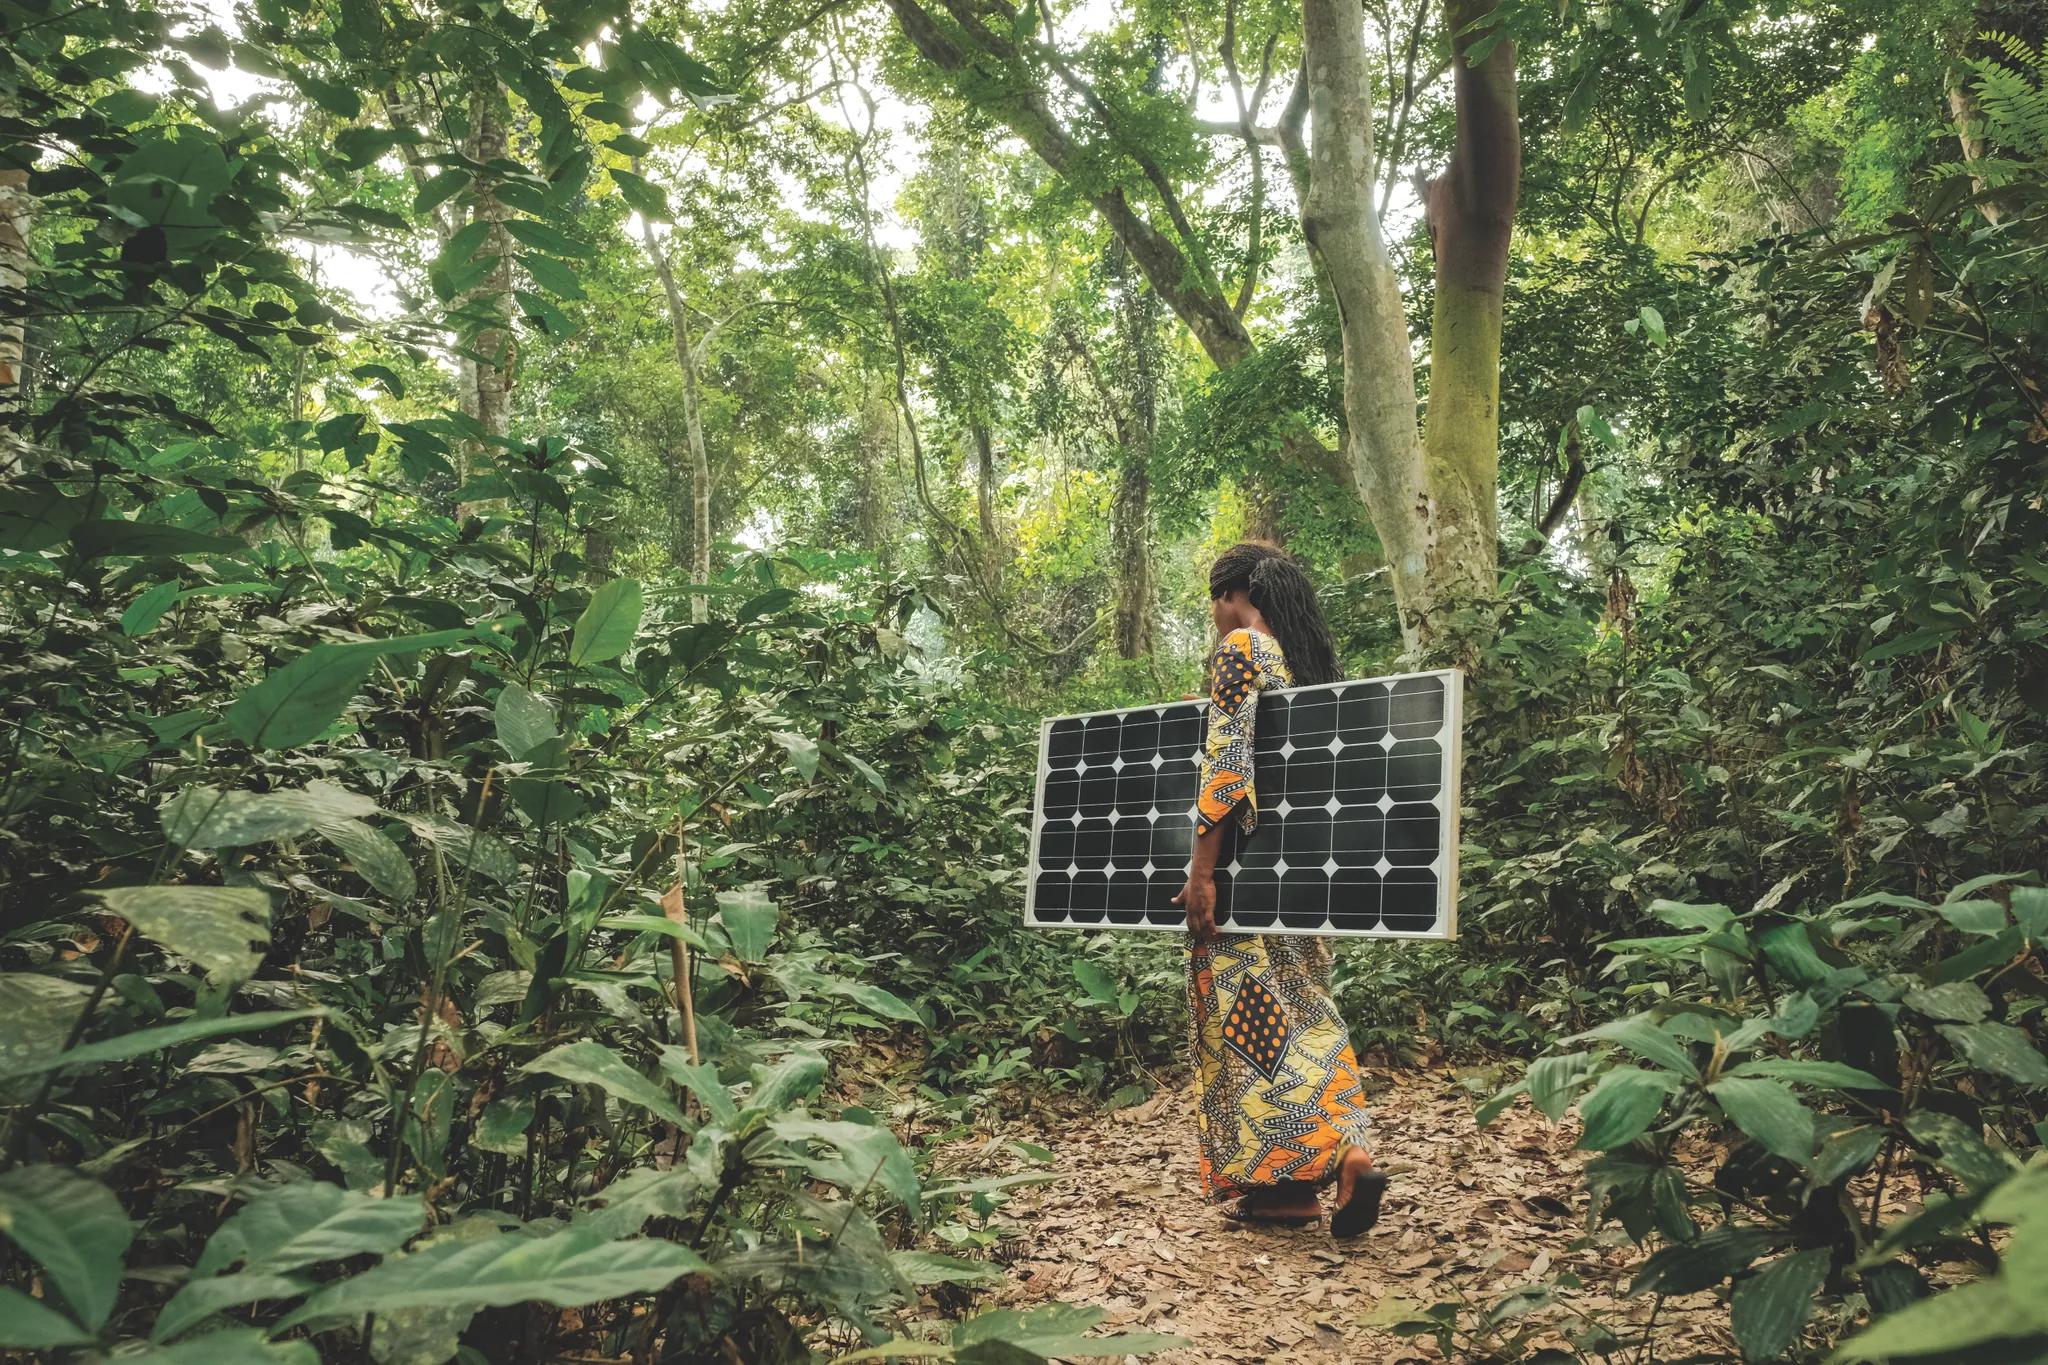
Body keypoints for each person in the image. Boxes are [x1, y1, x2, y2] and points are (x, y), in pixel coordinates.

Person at [1172, 541, 1387, 1236]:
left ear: (1231, 595)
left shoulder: (1240, 647)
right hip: (1302, 884)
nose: (1214, 618)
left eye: (1215, 603)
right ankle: (1300, 1183)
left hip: (1246, 878)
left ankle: (1320, 1164)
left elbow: (1228, 768)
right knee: (1307, 1020)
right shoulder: (1302, 664)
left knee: (1251, 1031)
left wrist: (1202, 874)